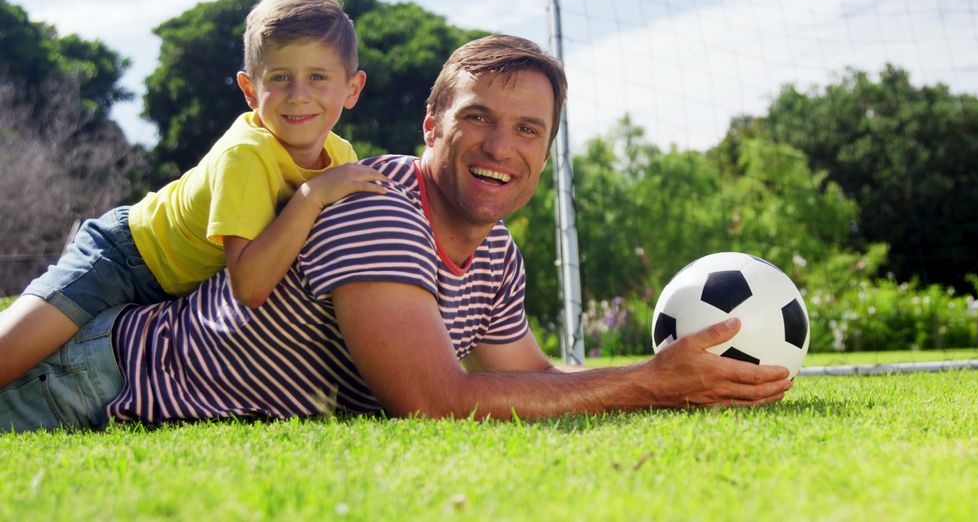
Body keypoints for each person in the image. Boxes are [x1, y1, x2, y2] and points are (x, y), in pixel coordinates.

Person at [0, 34, 792, 432]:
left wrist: (677, 381)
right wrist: (650, 384)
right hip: (91, 385)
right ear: (431, 128)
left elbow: (533, 378)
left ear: (545, 153)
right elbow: (434, 401)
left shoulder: (499, 257)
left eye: (527, 130)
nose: (499, 147)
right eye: (476, 118)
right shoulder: (378, 208)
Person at [0, 0, 388, 388]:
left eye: (318, 77)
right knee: (9, 354)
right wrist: (312, 196)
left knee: (41, 372)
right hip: (122, 259)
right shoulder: (247, 155)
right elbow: (250, 287)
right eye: (280, 78)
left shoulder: (340, 157)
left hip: (176, 299)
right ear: (250, 90)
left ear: (352, 88)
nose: (299, 95)